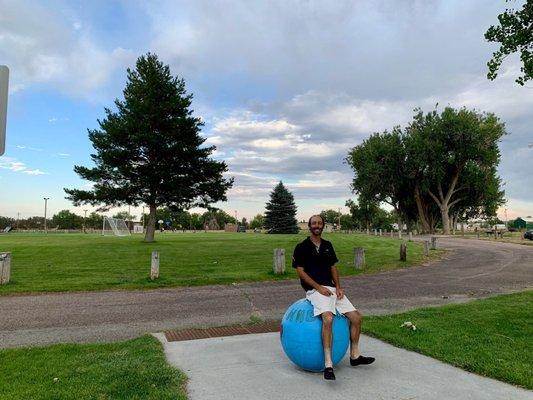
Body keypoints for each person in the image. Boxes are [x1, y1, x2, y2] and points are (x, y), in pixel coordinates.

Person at [292, 214, 375, 380]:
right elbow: (300, 271)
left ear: (323, 226)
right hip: (314, 290)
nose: (317, 225)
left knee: (357, 318)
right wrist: (318, 288)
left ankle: (355, 356)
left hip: (331, 289)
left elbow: (333, 268)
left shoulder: (328, 245)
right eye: (314, 223)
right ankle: (328, 364)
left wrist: (338, 287)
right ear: (309, 226)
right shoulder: (301, 247)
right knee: (328, 319)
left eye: (319, 223)